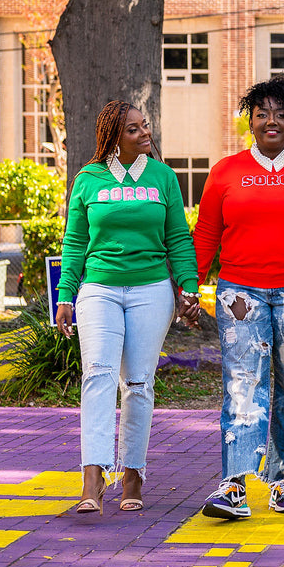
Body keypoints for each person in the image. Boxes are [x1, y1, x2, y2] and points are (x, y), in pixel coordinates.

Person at [193, 76, 284, 520]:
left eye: (280, 114)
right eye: (261, 114)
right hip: (241, 294)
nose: (270, 121)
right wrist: (188, 285)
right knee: (243, 384)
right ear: (250, 122)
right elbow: (207, 233)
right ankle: (234, 484)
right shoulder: (225, 172)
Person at [57, 100, 200, 514]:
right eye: (134, 129)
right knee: (98, 375)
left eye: (145, 125)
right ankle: (93, 475)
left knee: (137, 384)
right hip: (99, 288)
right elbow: (75, 242)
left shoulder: (163, 178)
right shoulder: (88, 179)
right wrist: (66, 294)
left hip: (150, 291)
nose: (145, 133)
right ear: (114, 139)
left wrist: (187, 288)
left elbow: (178, 238)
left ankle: (133, 473)